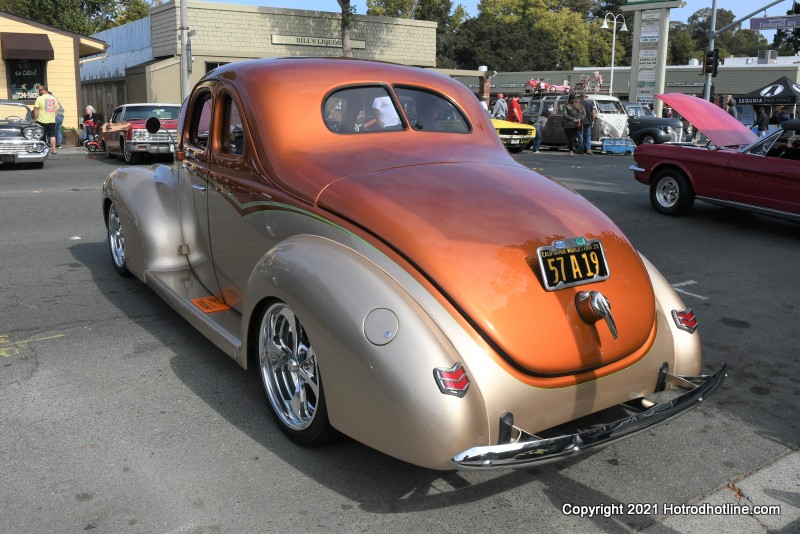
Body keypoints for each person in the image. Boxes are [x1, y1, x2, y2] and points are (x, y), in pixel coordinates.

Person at [33, 85, 58, 154]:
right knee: (52, 135)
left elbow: (36, 109)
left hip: (41, 120)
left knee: (42, 135)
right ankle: (54, 149)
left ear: (44, 90)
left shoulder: (39, 98)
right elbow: (56, 110)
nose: (39, 92)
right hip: (51, 120)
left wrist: (35, 118)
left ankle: (44, 149)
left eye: (40, 90)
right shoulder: (53, 99)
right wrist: (53, 117)